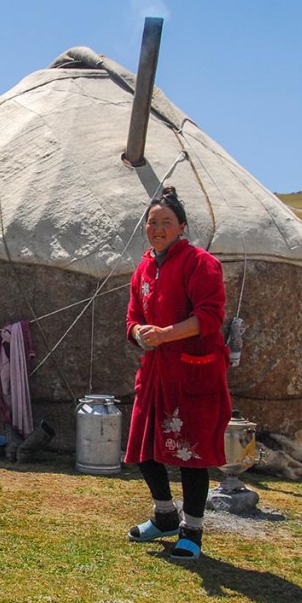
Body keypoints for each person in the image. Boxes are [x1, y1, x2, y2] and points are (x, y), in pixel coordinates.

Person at [124, 186, 232, 560]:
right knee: (143, 450)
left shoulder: (200, 263)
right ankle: (165, 516)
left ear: (181, 226)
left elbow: (211, 316)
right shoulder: (142, 269)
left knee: (192, 454)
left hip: (191, 372)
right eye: (152, 223)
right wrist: (139, 332)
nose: (157, 228)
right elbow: (133, 318)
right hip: (155, 372)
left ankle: (193, 532)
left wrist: (167, 334)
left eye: (166, 222)